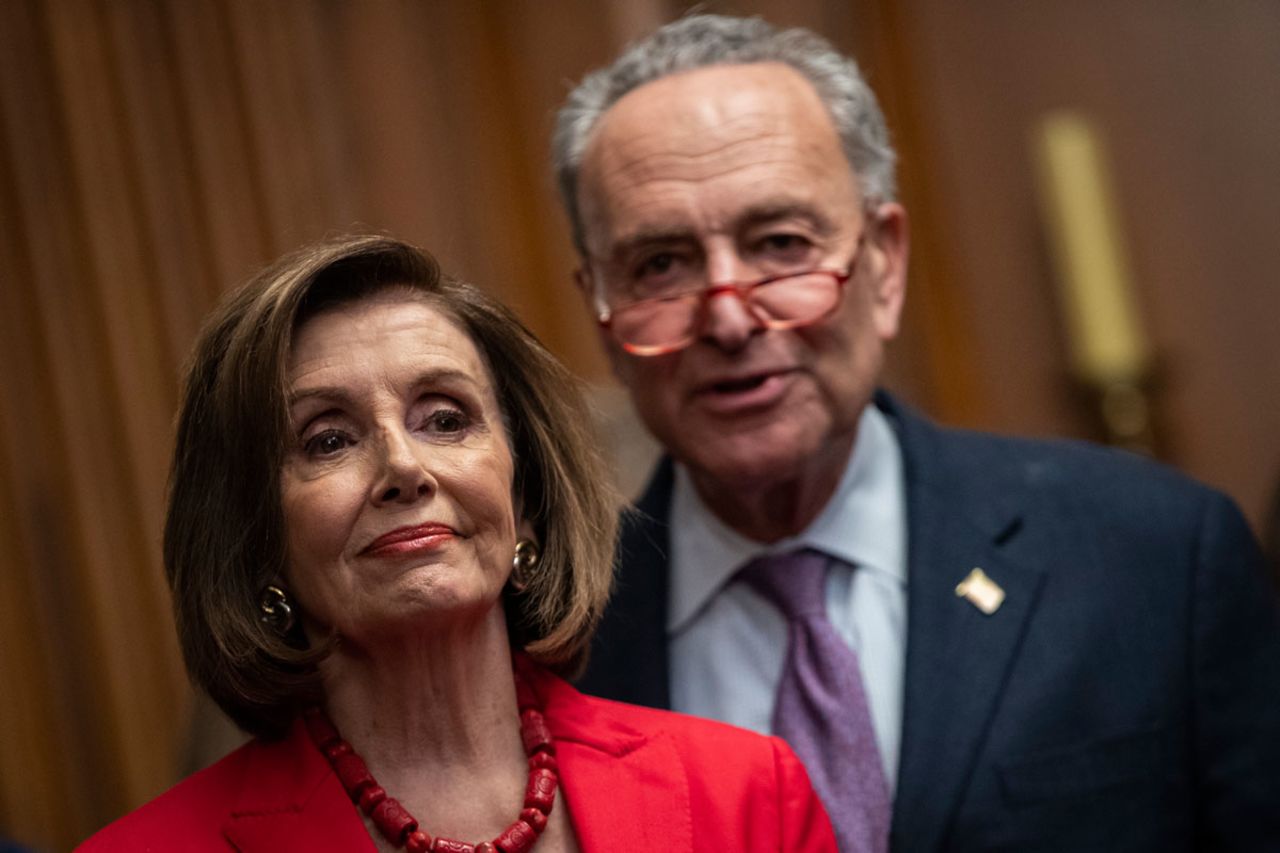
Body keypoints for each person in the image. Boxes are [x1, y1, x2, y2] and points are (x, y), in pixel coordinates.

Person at [552, 13, 1280, 852]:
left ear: (886, 264)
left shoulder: (1155, 556)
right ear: (602, 314)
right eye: (659, 266)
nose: (728, 315)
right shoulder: (561, 650)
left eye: (780, 243)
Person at [80, 234, 837, 852]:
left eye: (445, 419)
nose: (404, 468)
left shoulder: (744, 798)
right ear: (256, 542)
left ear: (527, 501)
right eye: (329, 438)